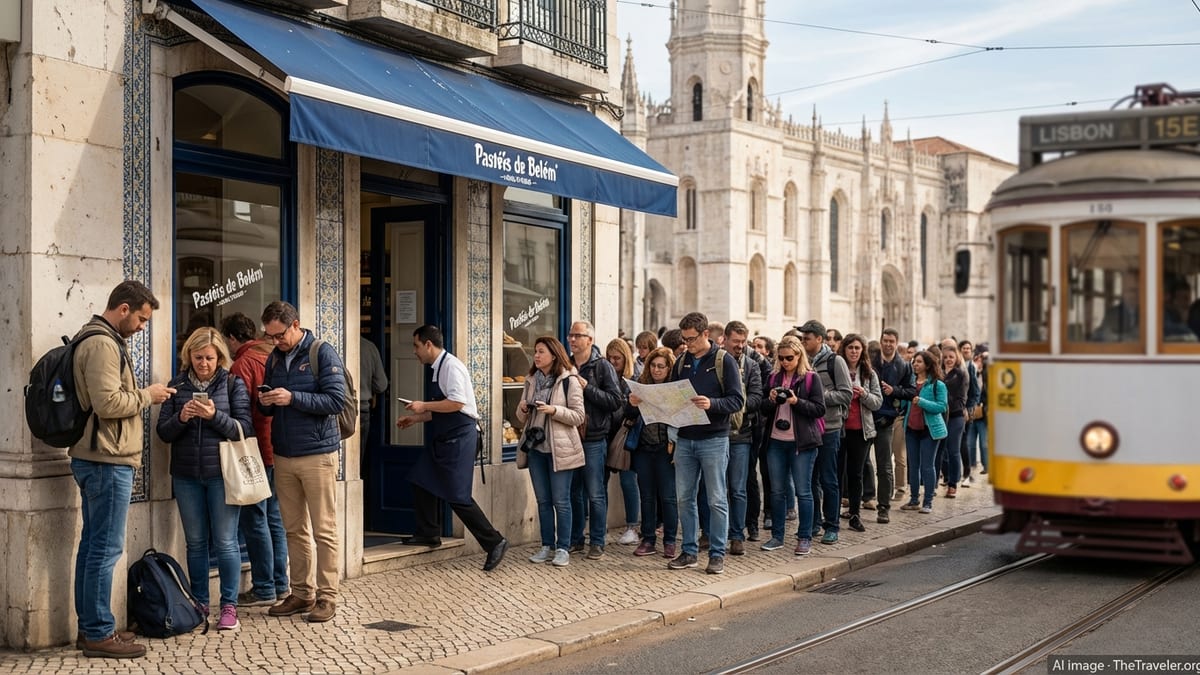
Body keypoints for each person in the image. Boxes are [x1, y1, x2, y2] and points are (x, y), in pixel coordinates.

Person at [70, 280, 174, 659]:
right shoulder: (101, 343)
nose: (143, 327)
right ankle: (98, 633)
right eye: (143, 319)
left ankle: (91, 627)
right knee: (104, 549)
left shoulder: (103, 340)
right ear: (125, 309)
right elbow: (107, 403)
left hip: (102, 458)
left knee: (93, 548)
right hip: (106, 461)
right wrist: (150, 395)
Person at [156, 328, 253, 631]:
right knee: (196, 543)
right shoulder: (177, 385)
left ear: (219, 357)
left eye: (209, 358)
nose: (204, 364)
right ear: (189, 356)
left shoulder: (233, 384)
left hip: (223, 475)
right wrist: (182, 418)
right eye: (198, 357)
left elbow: (243, 429)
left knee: (226, 543)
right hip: (186, 475)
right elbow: (163, 432)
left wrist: (214, 417)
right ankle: (199, 602)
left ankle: (229, 606)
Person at [632, 312, 743, 575]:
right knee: (684, 499)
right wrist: (643, 400)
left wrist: (712, 403)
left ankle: (716, 553)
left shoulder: (723, 361)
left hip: (714, 439)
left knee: (716, 499)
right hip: (685, 439)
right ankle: (689, 551)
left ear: (706, 335)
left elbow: (737, 401)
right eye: (684, 339)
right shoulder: (681, 360)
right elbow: (669, 396)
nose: (687, 344)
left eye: (692, 339)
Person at [259, 301, 346, 623]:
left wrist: (292, 397)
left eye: (279, 335)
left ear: (295, 324)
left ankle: (327, 597)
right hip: (284, 454)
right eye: (270, 336)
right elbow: (271, 409)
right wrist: (266, 400)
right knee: (293, 529)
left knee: (324, 530)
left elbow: (336, 401)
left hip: (317, 455)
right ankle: (300, 593)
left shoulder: (321, 353)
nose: (275, 341)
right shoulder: (274, 358)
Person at [397, 325, 508, 572]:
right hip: (446, 437)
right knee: (420, 478)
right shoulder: (437, 368)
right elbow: (442, 409)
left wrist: (422, 405)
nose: (414, 352)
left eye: (416, 346)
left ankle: (494, 541)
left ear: (428, 345)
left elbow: (457, 404)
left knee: (458, 497)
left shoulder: (451, 367)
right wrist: (416, 418)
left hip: (460, 440)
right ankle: (429, 533)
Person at [221, 312, 289, 609]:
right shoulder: (271, 356)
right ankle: (281, 584)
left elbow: (241, 412)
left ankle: (263, 587)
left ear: (232, 339)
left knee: (255, 519)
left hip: (255, 450)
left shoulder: (242, 364)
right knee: (274, 519)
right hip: (277, 448)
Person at [515, 337, 585, 567]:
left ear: (553, 355)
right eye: (535, 351)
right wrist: (523, 408)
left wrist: (554, 410)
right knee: (543, 501)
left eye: (541, 352)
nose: (536, 356)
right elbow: (519, 417)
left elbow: (578, 416)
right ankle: (547, 545)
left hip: (560, 449)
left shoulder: (569, 380)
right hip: (536, 448)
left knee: (561, 501)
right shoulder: (531, 379)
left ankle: (563, 548)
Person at [759, 336, 825, 555]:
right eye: (782, 358)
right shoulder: (773, 377)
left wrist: (797, 402)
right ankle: (777, 536)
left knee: (803, 491)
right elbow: (762, 409)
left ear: (799, 356)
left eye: (790, 358)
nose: (785, 362)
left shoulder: (810, 379)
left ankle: (804, 536)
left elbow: (819, 409)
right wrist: (770, 399)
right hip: (776, 441)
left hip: (802, 444)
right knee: (777, 492)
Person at [565, 321, 623, 560]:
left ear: (590, 340)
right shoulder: (565, 364)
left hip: (594, 438)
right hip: (570, 437)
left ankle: (597, 541)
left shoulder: (602, 367)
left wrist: (587, 387)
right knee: (573, 492)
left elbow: (615, 400)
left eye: (577, 335)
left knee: (595, 493)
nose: (572, 339)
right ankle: (576, 539)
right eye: (570, 335)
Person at [797, 320, 851, 546]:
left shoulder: (835, 361)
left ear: (819, 339)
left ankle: (832, 526)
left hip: (829, 428)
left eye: (806, 338)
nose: (803, 341)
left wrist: (819, 396)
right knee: (810, 480)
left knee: (829, 479)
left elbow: (846, 394)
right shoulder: (802, 362)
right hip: (808, 428)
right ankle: (814, 523)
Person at [624, 347, 679, 558]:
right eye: (653, 366)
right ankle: (648, 539)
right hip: (644, 448)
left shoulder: (674, 388)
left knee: (668, 496)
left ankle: (670, 540)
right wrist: (632, 404)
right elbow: (628, 416)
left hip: (667, 448)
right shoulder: (642, 386)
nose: (656, 370)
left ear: (669, 368)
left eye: (661, 366)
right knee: (646, 496)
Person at [715, 321, 762, 556]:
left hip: (741, 435)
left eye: (744, 342)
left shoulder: (752, 366)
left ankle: (736, 535)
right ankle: (714, 534)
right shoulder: (716, 362)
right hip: (717, 433)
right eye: (736, 342)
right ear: (725, 339)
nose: (740, 346)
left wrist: (735, 403)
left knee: (738, 488)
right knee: (715, 489)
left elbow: (757, 397)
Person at [836, 334, 882, 533]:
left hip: (862, 431)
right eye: (850, 348)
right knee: (836, 474)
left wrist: (863, 394)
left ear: (862, 350)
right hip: (838, 428)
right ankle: (831, 516)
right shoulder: (837, 370)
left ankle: (855, 515)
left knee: (856, 474)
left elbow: (877, 402)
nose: (854, 351)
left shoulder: (869, 374)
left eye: (857, 348)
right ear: (844, 350)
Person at [870, 328, 915, 520]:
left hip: (887, 418)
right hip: (867, 416)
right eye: (885, 341)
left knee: (884, 465)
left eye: (891, 341)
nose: (888, 344)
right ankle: (862, 499)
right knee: (861, 464)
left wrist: (893, 390)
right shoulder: (870, 362)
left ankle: (884, 507)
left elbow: (911, 391)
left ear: (896, 343)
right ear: (881, 342)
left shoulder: (904, 366)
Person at [900, 351, 948, 514]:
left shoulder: (937, 384)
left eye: (919, 362)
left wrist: (922, 402)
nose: (915, 364)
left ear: (927, 365)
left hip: (930, 430)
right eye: (914, 362)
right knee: (913, 466)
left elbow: (942, 406)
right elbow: (906, 402)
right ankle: (914, 500)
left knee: (927, 466)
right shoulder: (911, 383)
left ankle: (928, 502)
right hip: (912, 429)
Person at [604, 338, 641, 546]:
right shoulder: (604, 375)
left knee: (628, 482)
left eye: (617, 358)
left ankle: (632, 526)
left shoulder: (633, 378)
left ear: (625, 358)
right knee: (600, 484)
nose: (613, 361)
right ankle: (602, 525)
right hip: (606, 433)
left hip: (625, 435)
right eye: (610, 358)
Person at [938, 339, 970, 498]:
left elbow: (962, 398)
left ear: (956, 357)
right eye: (946, 357)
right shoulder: (939, 372)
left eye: (951, 356)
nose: (948, 359)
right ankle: (946, 477)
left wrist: (944, 402)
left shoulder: (961, 373)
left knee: (953, 450)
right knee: (941, 450)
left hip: (956, 416)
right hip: (940, 415)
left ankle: (953, 484)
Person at [958, 339, 981, 487]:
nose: (966, 350)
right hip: (957, 407)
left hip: (966, 409)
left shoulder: (971, 367)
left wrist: (970, 407)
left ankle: (967, 472)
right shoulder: (957, 365)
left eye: (969, 348)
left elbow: (975, 389)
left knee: (964, 440)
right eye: (964, 348)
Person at [359, 336, 389, 440]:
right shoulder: (369, 347)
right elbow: (381, 385)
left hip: (336, 409)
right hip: (361, 407)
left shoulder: (330, 345)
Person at [966, 347, 989, 476]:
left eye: (983, 359)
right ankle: (971, 466)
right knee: (970, 442)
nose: (980, 361)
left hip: (983, 412)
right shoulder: (972, 372)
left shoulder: (988, 374)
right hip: (972, 411)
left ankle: (986, 466)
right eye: (978, 358)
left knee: (984, 443)